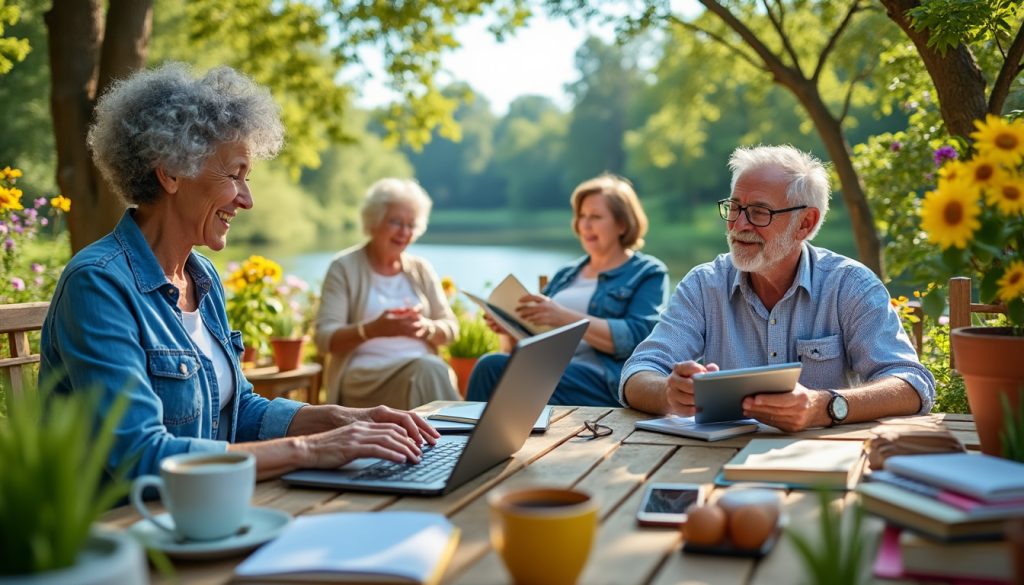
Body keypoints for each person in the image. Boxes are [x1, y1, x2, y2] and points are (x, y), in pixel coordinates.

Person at [39, 63, 438, 481]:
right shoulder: (99, 283)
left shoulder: (203, 279)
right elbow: (140, 455)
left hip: (204, 508)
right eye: (235, 175)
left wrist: (343, 419)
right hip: (125, 527)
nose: (246, 200)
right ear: (171, 172)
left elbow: (239, 409)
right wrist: (311, 449)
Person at [621, 145, 936, 431]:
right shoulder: (704, 285)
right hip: (714, 460)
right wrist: (670, 393)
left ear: (805, 224)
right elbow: (637, 372)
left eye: (759, 212)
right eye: (735, 207)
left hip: (821, 459)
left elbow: (912, 384)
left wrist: (824, 406)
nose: (739, 225)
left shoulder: (850, 286)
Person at [466, 174, 669, 406]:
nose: (585, 224)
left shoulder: (647, 272)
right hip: (553, 371)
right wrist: (509, 328)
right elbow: (530, 344)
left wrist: (562, 317)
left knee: (497, 370)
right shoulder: (566, 274)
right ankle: (466, 441)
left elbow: (637, 337)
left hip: (604, 381)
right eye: (582, 216)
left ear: (622, 224)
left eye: (596, 216)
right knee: (489, 366)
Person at [314, 178, 461, 409]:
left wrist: (426, 328)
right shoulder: (344, 267)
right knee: (428, 370)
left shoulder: (421, 269)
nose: (404, 232)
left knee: (427, 370)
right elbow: (324, 338)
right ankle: (460, 440)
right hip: (365, 377)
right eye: (395, 222)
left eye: (411, 225)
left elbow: (451, 328)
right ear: (374, 222)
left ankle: (437, 442)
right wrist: (372, 330)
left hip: (422, 368)